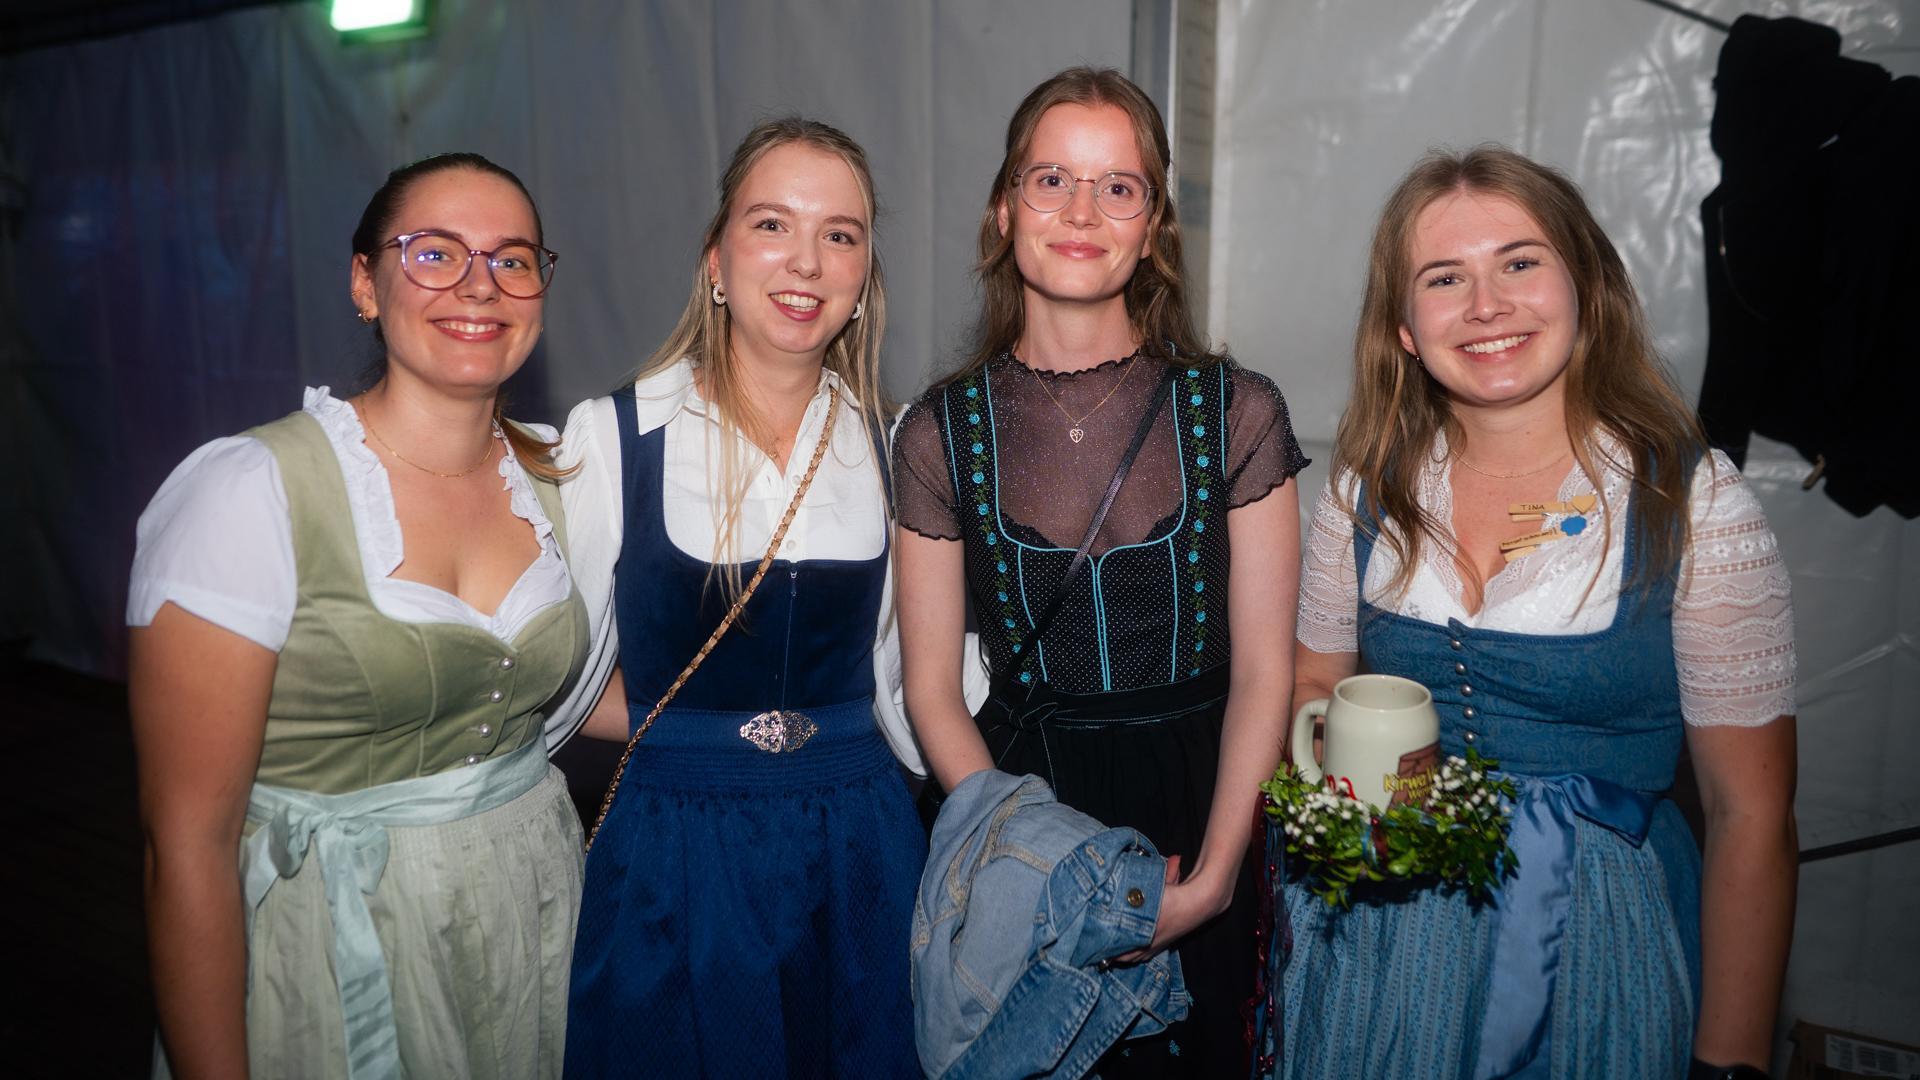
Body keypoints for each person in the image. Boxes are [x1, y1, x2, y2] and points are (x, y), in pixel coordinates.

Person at [1272, 146, 1798, 1079]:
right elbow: (1316, 677)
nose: (1486, 306)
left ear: (1587, 286)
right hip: (1385, 939)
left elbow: (1748, 809)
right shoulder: (1367, 490)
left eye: (1520, 262)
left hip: (1599, 942)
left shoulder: (1693, 503)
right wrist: (1340, 804)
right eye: (1445, 278)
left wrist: (1733, 1060)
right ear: (1403, 327)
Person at [128, 152, 587, 1078]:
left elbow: (584, 685)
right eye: (433, 254)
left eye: (512, 258)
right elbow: (188, 848)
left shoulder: (558, 472)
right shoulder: (250, 492)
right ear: (364, 283)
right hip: (335, 938)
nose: (478, 285)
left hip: (535, 915)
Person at [893, 67, 1308, 1078]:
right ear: (1004, 212)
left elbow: (1266, 671)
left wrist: (1211, 880)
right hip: (1027, 815)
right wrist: (1036, 858)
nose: (1082, 210)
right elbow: (932, 692)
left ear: (1155, 224)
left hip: (1208, 800)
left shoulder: (1236, 412)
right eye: (1051, 180)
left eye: (1118, 186)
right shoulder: (939, 432)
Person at [556, 117, 924, 1077]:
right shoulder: (614, 435)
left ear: (864, 277)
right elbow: (552, 682)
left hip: (858, 850)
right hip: (676, 845)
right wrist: (690, 736)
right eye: (772, 224)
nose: (806, 259)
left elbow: (907, 683)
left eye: (840, 234)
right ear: (716, 261)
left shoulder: (897, 451)